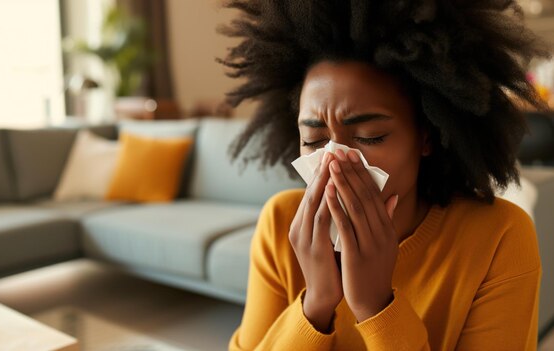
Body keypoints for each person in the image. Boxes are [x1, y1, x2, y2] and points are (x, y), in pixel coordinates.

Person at [217, 0, 551, 350]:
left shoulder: (499, 236)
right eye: (313, 140)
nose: (333, 162)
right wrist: (315, 303)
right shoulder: (281, 223)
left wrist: (376, 307)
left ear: (426, 135)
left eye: (370, 137)